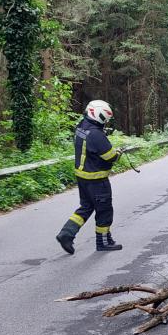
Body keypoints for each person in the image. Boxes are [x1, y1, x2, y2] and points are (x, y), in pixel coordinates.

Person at [56, 99, 124, 254]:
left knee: (86, 207)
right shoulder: (96, 134)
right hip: (97, 180)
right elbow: (110, 156)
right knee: (104, 210)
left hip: (83, 179)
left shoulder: (81, 127)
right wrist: (118, 153)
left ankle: (66, 234)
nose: (105, 122)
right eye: (104, 119)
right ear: (98, 115)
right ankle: (103, 242)